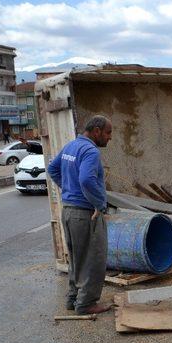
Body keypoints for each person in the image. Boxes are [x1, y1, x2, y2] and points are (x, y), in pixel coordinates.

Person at [48, 115, 113, 315]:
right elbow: (86, 179)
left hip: (68, 212)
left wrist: (67, 189)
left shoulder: (71, 146)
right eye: (108, 132)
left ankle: (73, 299)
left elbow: (52, 168)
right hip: (86, 214)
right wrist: (99, 203)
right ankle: (86, 304)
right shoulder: (90, 151)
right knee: (94, 259)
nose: (110, 137)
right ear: (96, 131)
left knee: (77, 259)